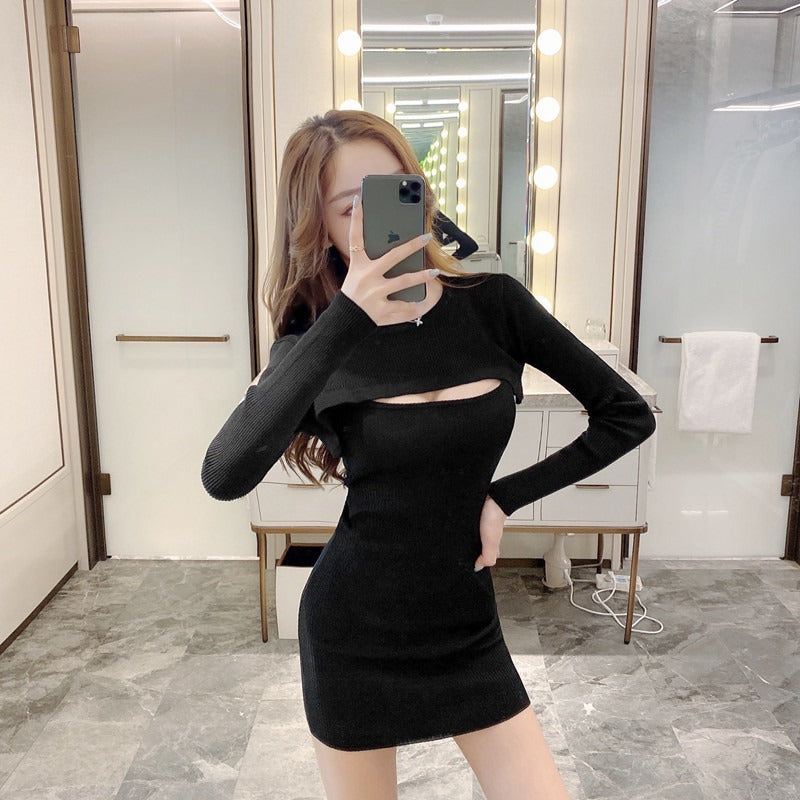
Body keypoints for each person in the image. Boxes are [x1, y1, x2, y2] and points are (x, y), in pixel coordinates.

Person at [201, 109, 656, 800]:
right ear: (317, 226)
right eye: (351, 207)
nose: (382, 216)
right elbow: (224, 475)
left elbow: (626, 415)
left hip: (466, 625)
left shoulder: (493, 304)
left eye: (397, 189)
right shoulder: (314, 341)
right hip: (352, 630)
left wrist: (503, 498)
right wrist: (348, 316)